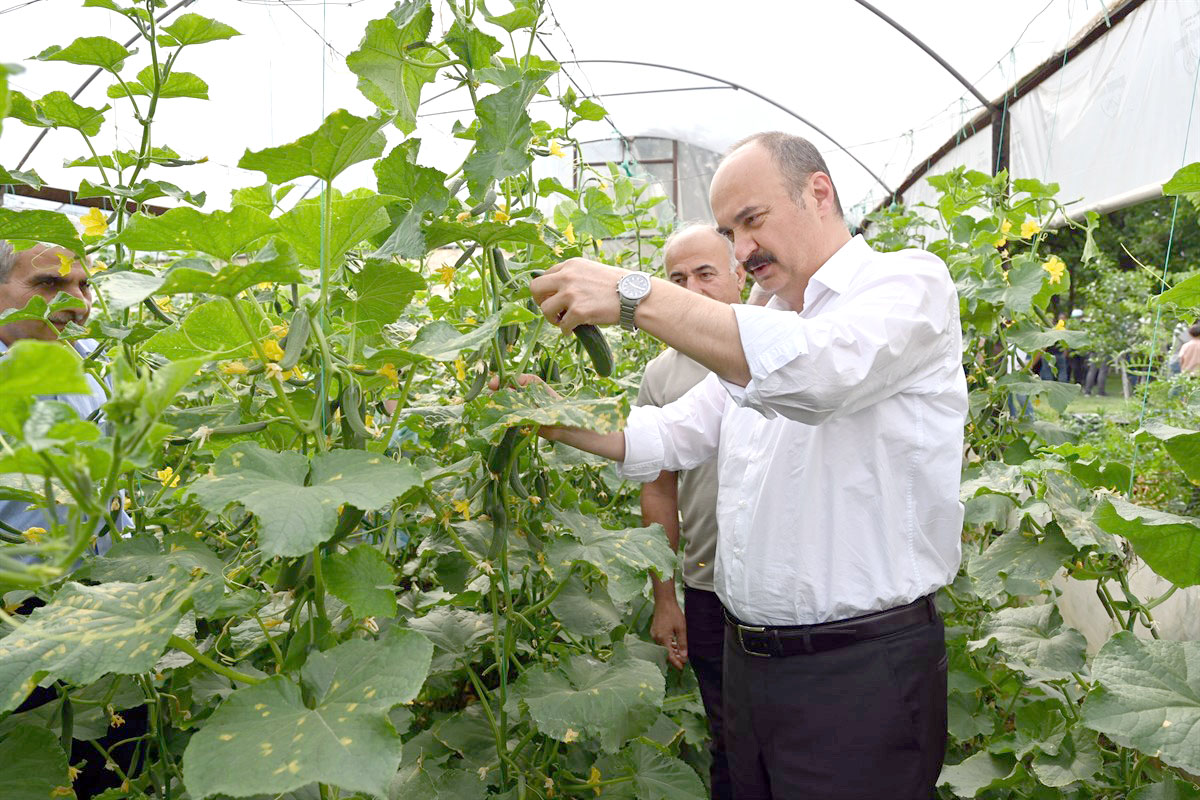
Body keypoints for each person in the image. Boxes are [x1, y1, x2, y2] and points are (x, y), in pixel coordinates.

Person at [525, 132, 966, 799]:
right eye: (730, 232)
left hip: (858, 674)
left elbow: (816, 373)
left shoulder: (906, 284)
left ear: (818, 192)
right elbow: (674, 434)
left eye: (752, 221)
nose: (742, 251)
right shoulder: (764, 316)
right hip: (750, 664)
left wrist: (631, 293)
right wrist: (552, 417)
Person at [0, 239, 137, 800]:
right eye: (49, 284)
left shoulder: (83, 369)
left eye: (83, 285)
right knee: (43, 765)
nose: (77, 302)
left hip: (104, 600)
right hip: (20, 616)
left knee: (113, 761)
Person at [638, 223, 744, 800]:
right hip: (707, 589)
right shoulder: (662, 374)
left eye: (706, 273)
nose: (691, 289)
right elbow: (657, 490)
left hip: (782, 591)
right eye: (676, 278)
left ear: (738, 273)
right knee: (728, 737)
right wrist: (665, 595)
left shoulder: (774, 346)